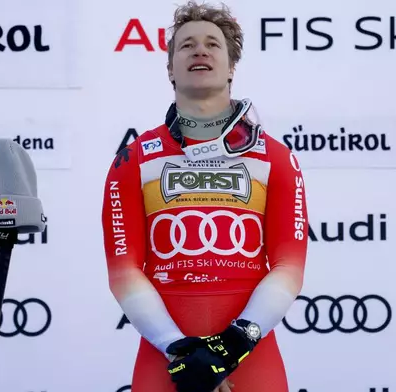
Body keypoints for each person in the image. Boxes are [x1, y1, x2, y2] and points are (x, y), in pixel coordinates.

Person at [101, 1, 309, 391]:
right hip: (166, 356)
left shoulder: (276, 157)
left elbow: (288, 268)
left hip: (251, 355)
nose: (200, 50)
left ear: (232, 66)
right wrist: (179, 350)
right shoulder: (133, 159)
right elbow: (123, 271)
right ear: (169, 69)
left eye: (213, 44)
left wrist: (231, 347)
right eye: (186, 45)